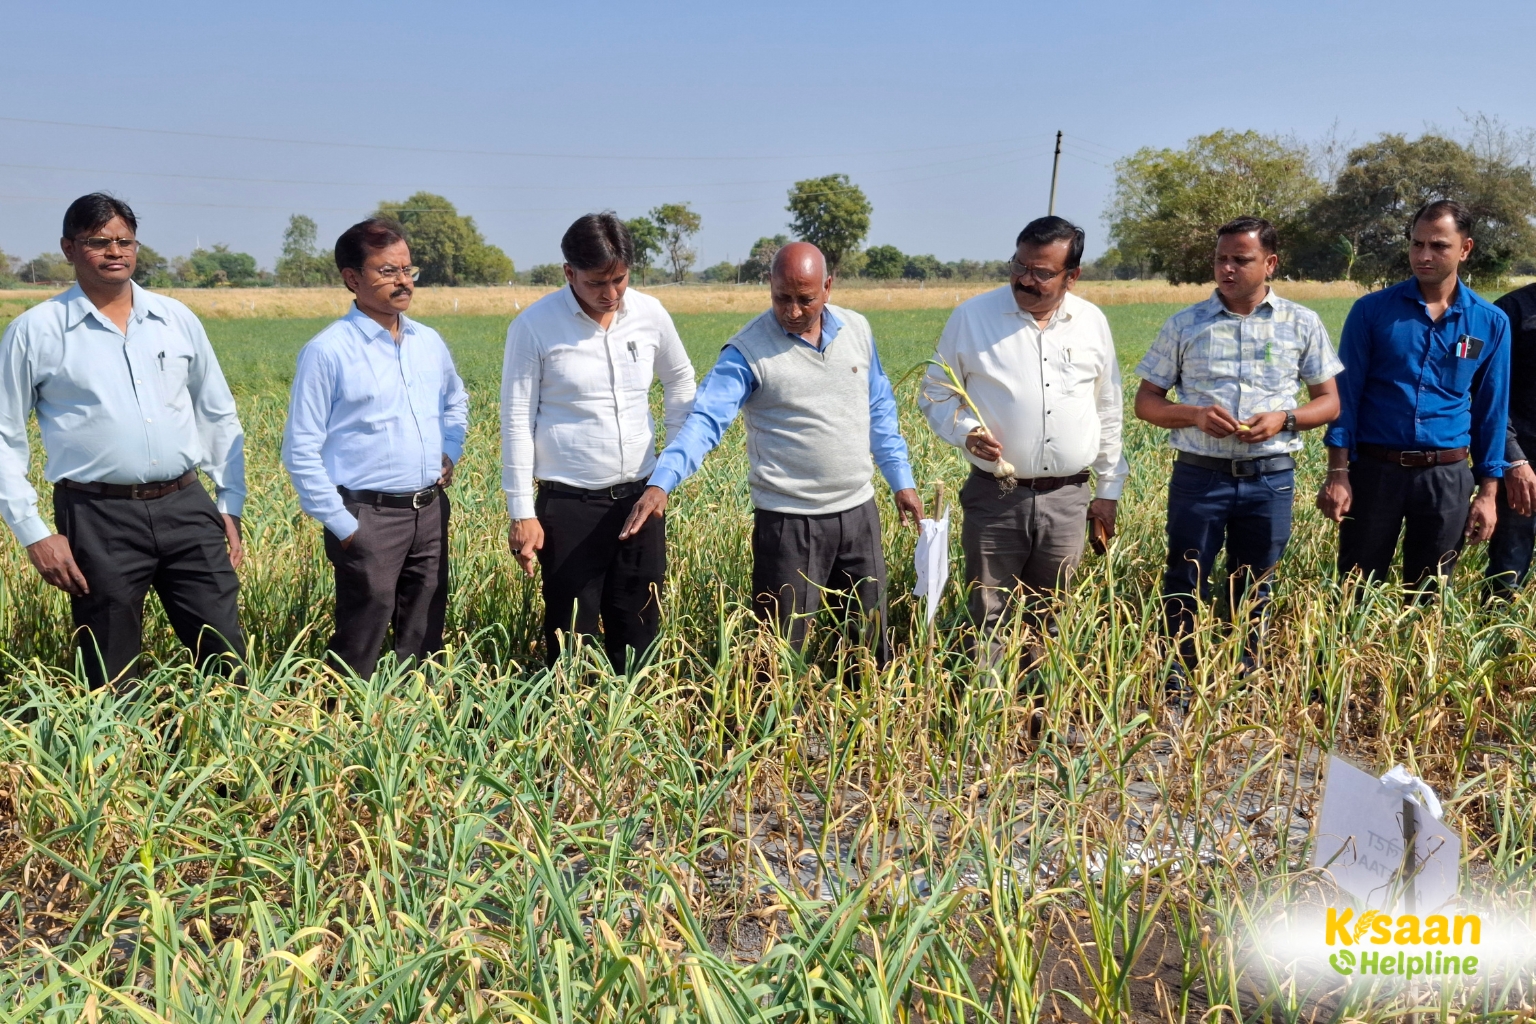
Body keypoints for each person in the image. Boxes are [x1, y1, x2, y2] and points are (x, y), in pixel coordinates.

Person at [620, 242, 922, 665]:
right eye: (783, 298)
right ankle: (778, 729)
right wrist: (661, 482)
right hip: (788, 523)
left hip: (858, 513)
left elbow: (880, 408)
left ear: (828, 287)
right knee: (779, 651)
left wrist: (901, 479)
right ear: (770, 286)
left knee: (867, 642)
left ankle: (865, 723)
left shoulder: (858, 331)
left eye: (806, 299)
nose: (794, 311)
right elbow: (705, 422)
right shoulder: (746, 352)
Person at [0, 193, 246, 688]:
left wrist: (229, 500)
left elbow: (217, 412)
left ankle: (234, 753)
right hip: (96, 516)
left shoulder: (176, 320)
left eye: (124, 241)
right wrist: (33, 531)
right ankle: (123, 759)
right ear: (69, 249)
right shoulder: (35, 332)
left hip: (186, 505)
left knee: (225, 652)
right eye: (98, 242)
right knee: (109, 664)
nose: (115, 251)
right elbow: (4, 436)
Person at [1134, 217, 1341, 686]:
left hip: (1270, 476)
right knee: (1186, 577)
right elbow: (1146, 403)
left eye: (1240, 260)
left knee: (1253, 585)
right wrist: (1194, 415)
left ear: (1269, 264)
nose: (1227, 269)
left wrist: (1283, 419)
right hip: (1199, 476)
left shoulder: (1301, 323)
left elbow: (1329, 402)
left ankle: (1243, 678)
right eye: (1220, 259)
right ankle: (1178, 679)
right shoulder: (1185, 324)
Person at [919, 216, 1127, 667]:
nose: (1024, 280)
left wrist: (1109, 491)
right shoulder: (973, 317)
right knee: (989, 615)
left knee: (1053, 619)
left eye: (1041, 273)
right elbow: (935, 392)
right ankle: (989, 722)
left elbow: (1107, 408)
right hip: (996, 496)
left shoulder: (1091, 322)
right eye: (1018, 265)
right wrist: (966, 434)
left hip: (1069, 499)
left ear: (1072, 277)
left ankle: (1042, 724)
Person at [501, 213, 695, 669]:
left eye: (620, 280)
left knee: (640, 630)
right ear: (569, 273)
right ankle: (571, 730)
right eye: (596, 283)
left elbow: (681, 380)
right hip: (569, 508)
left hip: (641, 500)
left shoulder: (650, 314)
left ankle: (636, 726)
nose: (610, 294)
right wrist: (521, 512)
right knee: (571, 639)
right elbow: (514, 420)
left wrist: (671, 465)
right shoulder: (534, 327)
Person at [282, 218, 468, 678]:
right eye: (388, 272)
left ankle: (417, 724)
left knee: (424, 628)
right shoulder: (328, 351)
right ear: (352, 278)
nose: (403, 281)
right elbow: (300, 448)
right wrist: (343, 525)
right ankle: (345, 723)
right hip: (367, 515)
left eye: (408, 270)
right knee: (361, 634)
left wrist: (449, 451)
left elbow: (455, 401)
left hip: (429, 510)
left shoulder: (428, 342)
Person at [1318, 200, 1511, 593]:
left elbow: (1492, 410)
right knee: (1356, 587)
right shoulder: (1372, 312)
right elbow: (1346, 396)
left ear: (1465, 249)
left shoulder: (1489, 322)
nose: (1424, 255)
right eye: (1416, 244)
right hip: (1375, 471)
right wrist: (1338, 472)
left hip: (1447, 477)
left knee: (1430, 593)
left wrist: (1489, 493)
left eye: (1438, 245)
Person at [1485, 279, 1536, 597]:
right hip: (1525, 463)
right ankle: (1500, 641)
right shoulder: (1511, 311)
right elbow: (1488, 395)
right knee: (1509, 569)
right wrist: (1513, 458)